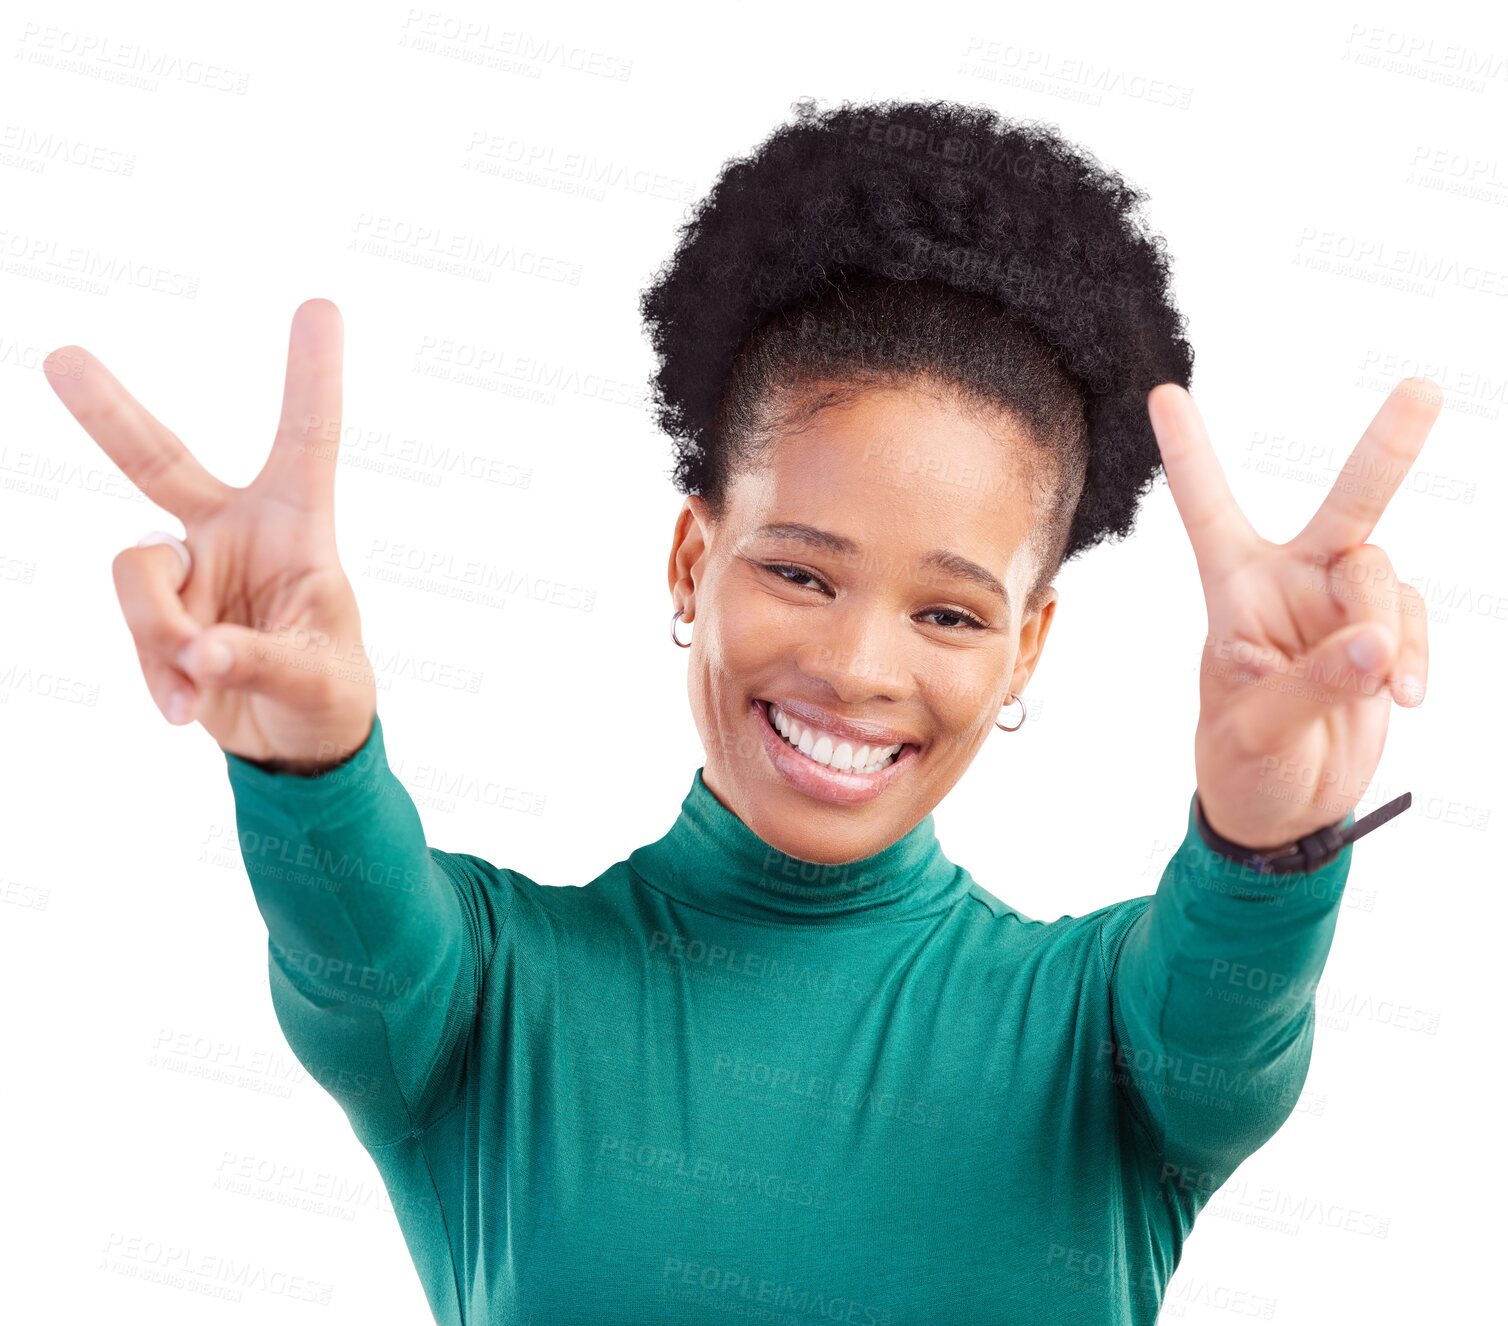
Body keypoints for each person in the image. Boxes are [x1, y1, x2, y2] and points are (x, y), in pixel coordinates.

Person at [46, 98, 1438, 1325]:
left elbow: (1229, 1008)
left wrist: (1269, 842)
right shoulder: (476, 997)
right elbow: (347, 921)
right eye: (799, 569)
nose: (858, 663)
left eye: (949, 612)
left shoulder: (1109, 1042)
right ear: (692, 560)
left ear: (1026, 652)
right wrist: (306, 758)